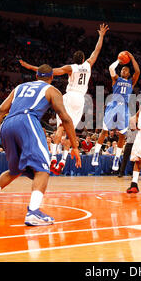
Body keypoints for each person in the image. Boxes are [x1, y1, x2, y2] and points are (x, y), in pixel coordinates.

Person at [0, 64, 81, 226]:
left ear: (36, 76)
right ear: (52, 77)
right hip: (27, 121)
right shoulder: (51, 90)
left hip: (7, 125)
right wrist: (75, 146)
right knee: (43, 169)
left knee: (15, 170)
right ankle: (33, 212)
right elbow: (65, 119)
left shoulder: (19, 87)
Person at [20, 23, 108, 175]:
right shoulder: (88, 65)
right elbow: (96, 51)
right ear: (83, 58)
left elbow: (48, 72)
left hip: (70, 96)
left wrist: (30, 67)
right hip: (81, 99)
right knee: (70, 130)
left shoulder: (70, 68)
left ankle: (53, 156)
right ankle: (63, 160)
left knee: (60, 127)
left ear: (74, 59)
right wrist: (101, 36)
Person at [91, 51, 141, 171]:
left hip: (124, 107)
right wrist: (119, 60)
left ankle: (116, 158)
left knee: (122, 134)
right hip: (113, 105)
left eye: (125, 70)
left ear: (129, 73)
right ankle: (96, 154)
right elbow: (111, 68)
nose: (123, 71)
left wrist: (132, 58)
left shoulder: (131, 82)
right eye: (122, 69)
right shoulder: (116, 79)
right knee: (104, 131)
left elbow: (138, 71)